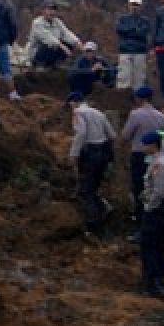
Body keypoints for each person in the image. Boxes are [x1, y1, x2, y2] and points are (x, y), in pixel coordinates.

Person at [120, 87, 164, 227]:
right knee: (154, 188)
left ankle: (141, 222)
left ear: (139, 99)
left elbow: (125, 135)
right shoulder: (161, 117)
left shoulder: (136, 114)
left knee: (139, 189)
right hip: (156, 156)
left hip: (139, 155)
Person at [67, 92, 116, 235]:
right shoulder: (99, 113)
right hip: (103, 153)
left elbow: (81, 133)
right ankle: (104, 207)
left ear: (73, 102)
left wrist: (73, 154)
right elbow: (112, 135)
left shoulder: (78, 112)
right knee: (93, 186)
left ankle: (94, 225)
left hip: (90, 153)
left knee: (86, 190)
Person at [139, 130, 164, 296]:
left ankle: (154, 284)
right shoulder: (157, 160)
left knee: (149, 247)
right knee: (156, 249)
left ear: (153, 145)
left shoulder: (159, 164)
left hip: (157, 211)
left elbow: (159, 191)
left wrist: (149, 207)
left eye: (145, 145)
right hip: (158, 209)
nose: (143, 148)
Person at [26, 0, 81, 69]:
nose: (52, 12)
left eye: (53, 10)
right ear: (43, 11)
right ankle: (40, 64)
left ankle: (54, 64)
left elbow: (66, 33)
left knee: (70, 44)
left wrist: (77, 42)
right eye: (49, 9)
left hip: (53, 49)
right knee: (49, 45)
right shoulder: (37, 23)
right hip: (37, 52)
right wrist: (63, 47)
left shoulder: (57, 21)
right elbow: (48, 38)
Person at [115, 0, 150, 92]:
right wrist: (134, 30)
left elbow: (143, 32)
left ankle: (138, 101)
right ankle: (123, 100)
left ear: (140, 6)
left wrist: (128, 31)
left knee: (139, 79)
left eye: (137, 5)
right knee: (123, 77)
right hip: (125, 51)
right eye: (132, 5)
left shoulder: (145, 20)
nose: (134, 7)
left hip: (140, 51)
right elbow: (119, 29)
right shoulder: (122, 19)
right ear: (128, 5)